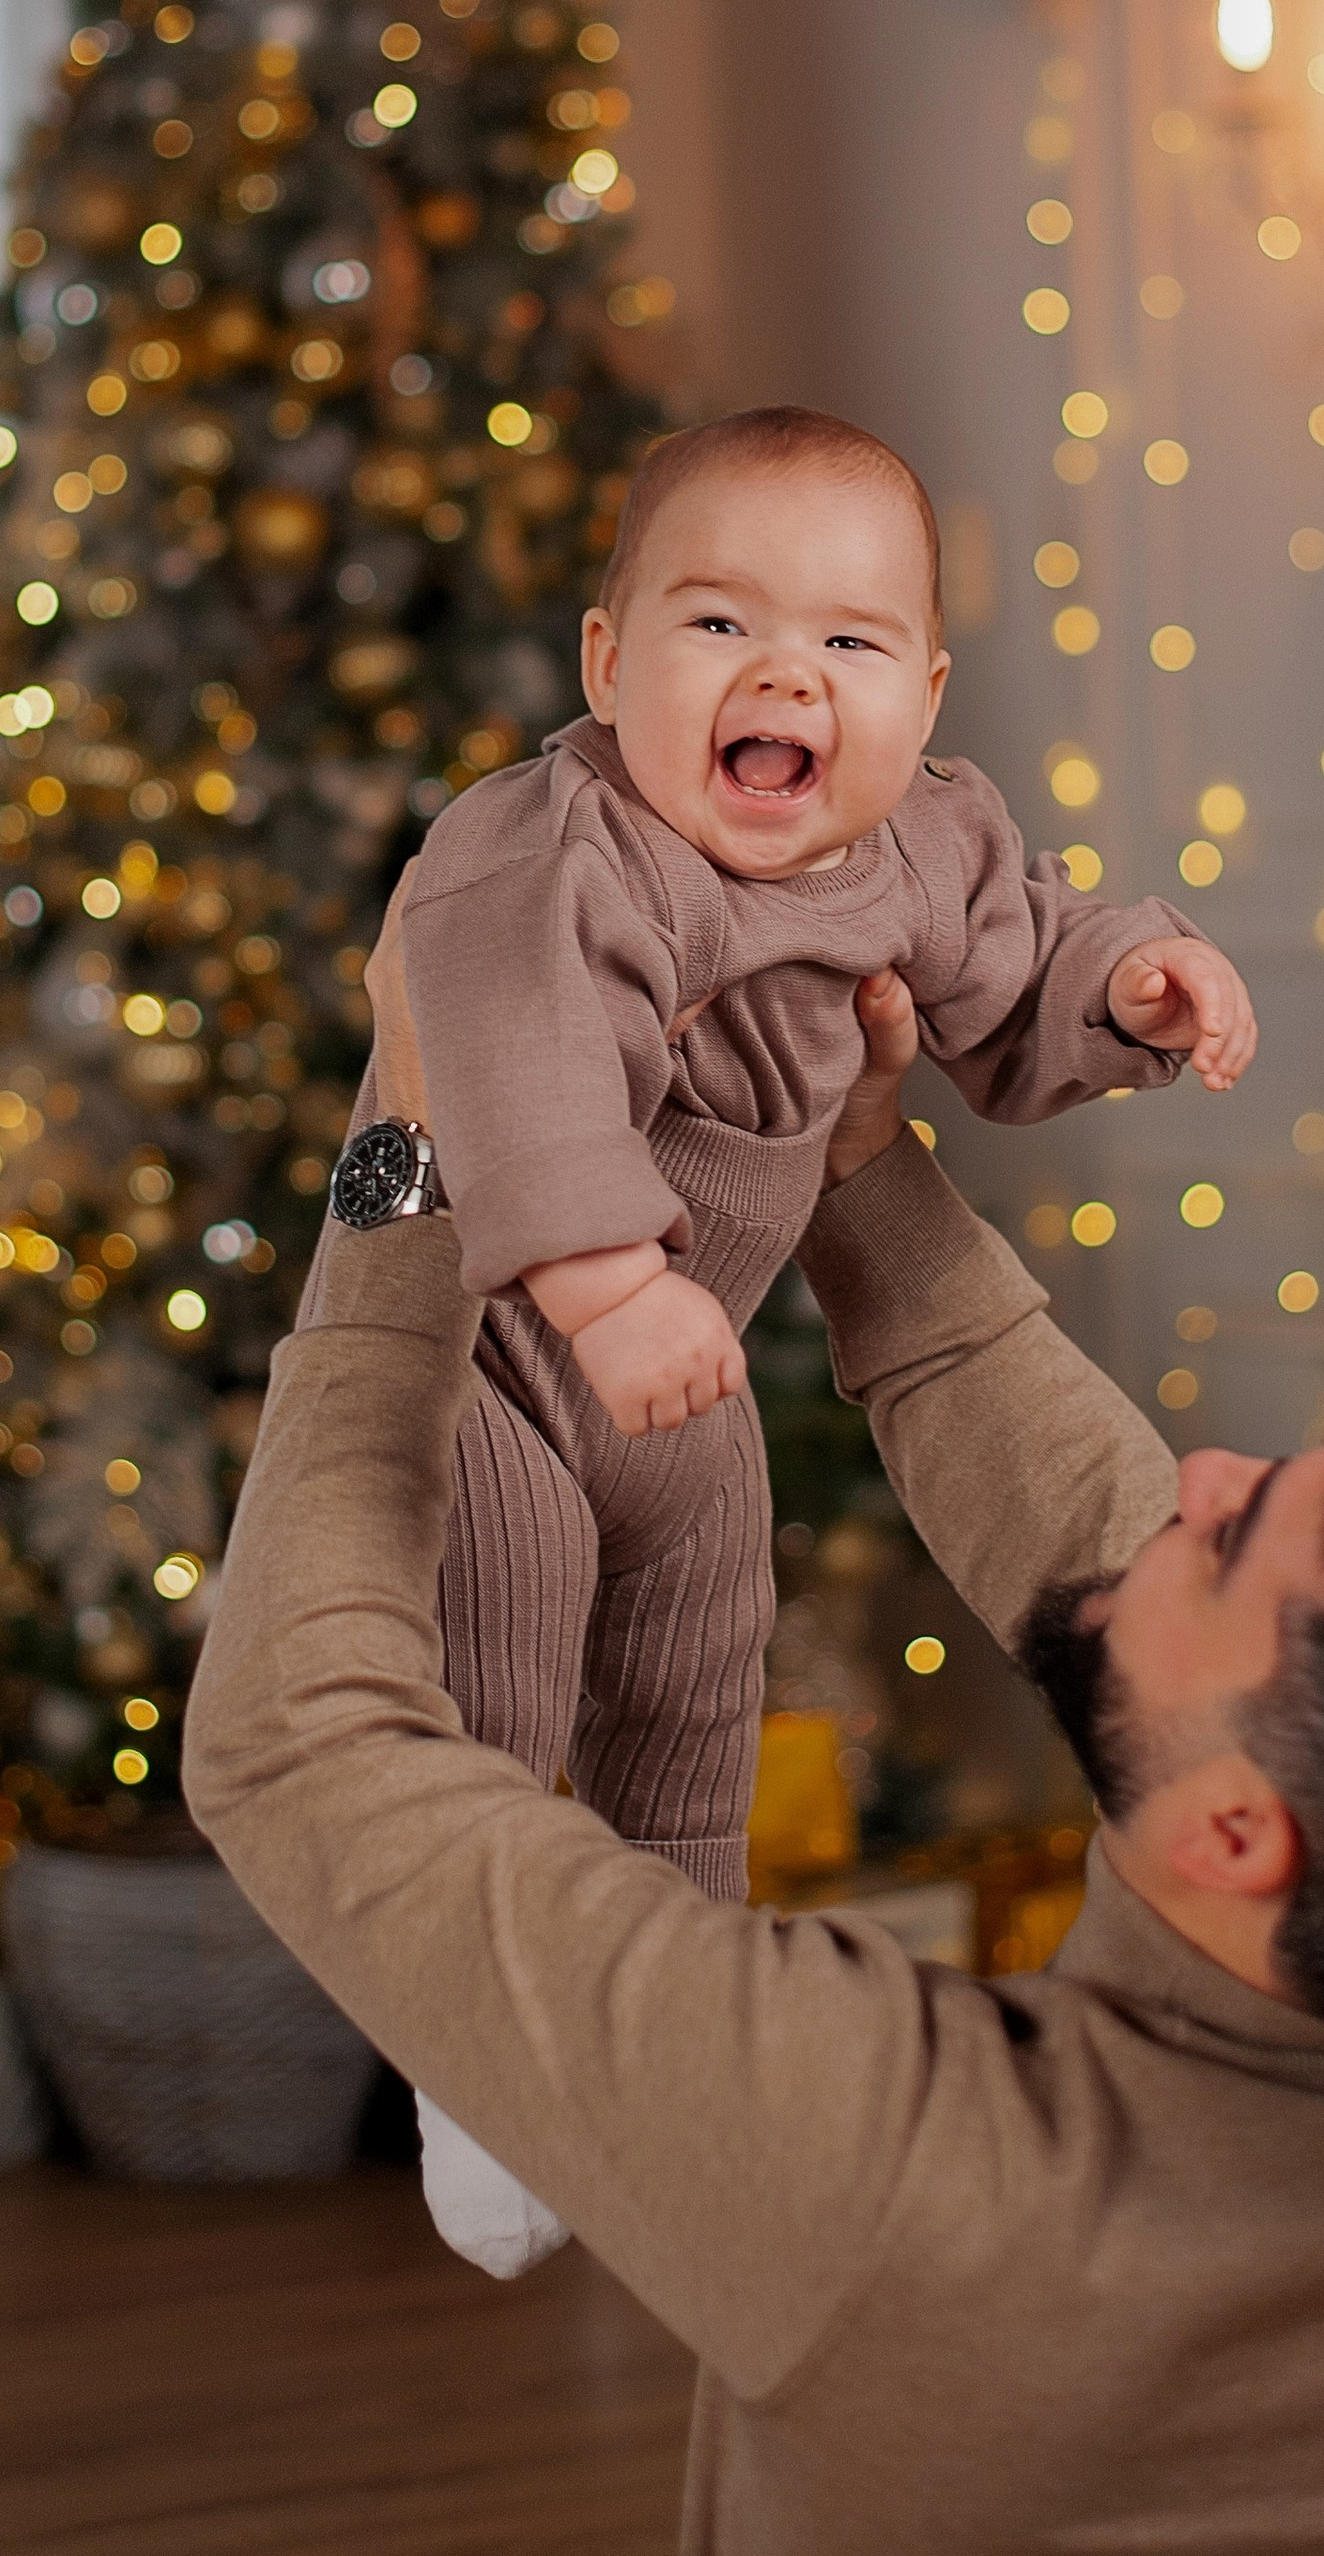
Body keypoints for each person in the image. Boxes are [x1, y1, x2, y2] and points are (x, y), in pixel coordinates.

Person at [183, 939, 1324, 2556]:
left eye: (1239, 1538)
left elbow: (299, 1743)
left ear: (1242, 1836)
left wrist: (411, 1152)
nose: (1192, 1473)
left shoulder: (903, 2167)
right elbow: (1087, 1513)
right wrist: (865, 1157)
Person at [319, 405, 1254, 2267]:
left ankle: (673, 2025)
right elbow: (496, 1045)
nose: (785, 676)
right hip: (504, 1355)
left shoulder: (927, 842)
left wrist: (1134, 986)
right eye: (718, 625)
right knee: (498, 1671)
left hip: (693, 1373)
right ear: (608, 660)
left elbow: (1019, 972)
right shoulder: (550, 845)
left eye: (849, 642)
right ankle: (483, 2064)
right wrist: (600, 1283)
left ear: (922, 688)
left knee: (695, 1682)